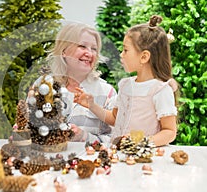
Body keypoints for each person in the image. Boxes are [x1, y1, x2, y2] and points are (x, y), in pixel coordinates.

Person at [74, 15, 179, 147]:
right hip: (120, 154)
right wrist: (91, 105)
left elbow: (169, 132)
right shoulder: (126, 85)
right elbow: (115, 119)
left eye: (125, 50)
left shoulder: (160, 90)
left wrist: (140, 142)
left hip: (145, 157)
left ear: (144, 57)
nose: (121, 54)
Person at [42, 22, 117, 143]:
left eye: (94, 49)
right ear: (64, 51)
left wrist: (85, 137)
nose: (89, 53)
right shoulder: (44, 86)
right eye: (82, 46)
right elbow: (26, 127)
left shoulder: (107, 92)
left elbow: (117, 139)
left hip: (90, 161)